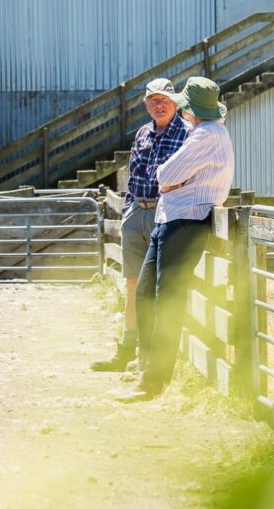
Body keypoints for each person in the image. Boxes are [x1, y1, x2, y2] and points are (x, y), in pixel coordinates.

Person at [121, 77, 234, 401]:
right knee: (146, 292)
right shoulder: (206, 134)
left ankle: (154, 381)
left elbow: (165, 175)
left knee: (166, 298)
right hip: (171, 217)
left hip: (186, 218)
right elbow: (169, 178)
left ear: (188, 108)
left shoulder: (205, 135)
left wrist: (172, 183)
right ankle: (148, 370)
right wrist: (173, 184)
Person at [92, 78, 188, 372]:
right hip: (138, 212)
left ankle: (152, 357)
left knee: (157, 287)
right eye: (153, 101)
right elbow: (135, 176)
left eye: (165, 100)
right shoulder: (143, 133)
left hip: (165, 213)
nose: (159, 105)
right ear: (146, 104)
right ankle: (126, 350)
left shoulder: (187, 133)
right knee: (133, 284)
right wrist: (131, 206)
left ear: (176, 103)